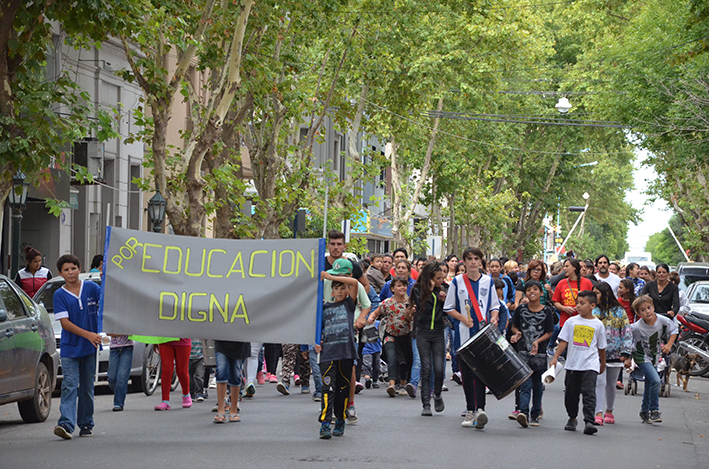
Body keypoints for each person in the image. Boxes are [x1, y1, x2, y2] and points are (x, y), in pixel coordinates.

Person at [443, 247, 499, 429]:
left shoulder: (488, 281)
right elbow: (449, 307)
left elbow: (494, 305)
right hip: (463, 334)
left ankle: (481, 409)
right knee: (467, 374)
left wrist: (494, 316)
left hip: (482, 334)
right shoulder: (457, 282)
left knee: (482, 372)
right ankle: (470, 409)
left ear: (481, 262)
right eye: (470, 259)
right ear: (464, 262)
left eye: (476, 258)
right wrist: (462, 318)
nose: (473, 262)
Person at [52, 255, 102, 440]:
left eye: (73, 268)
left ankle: (86, 423)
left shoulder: (91, 287)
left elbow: (106, 304)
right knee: (70, 385)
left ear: (79, 269)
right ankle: (65, 424)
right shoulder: (59, 295)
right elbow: (65, 323)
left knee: (87, 387)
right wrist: (88, 334)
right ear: (60, 273)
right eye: (66, 270)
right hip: (69, 349)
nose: (70, 272)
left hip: (90, 348)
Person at [549, 290, 607, 435]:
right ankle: (572, 417)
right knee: (571, 393)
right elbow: (564, 341)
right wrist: (555, 357)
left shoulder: (598, 324)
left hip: (590, 364)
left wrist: (602, 363)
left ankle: (589, 420)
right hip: (573, 363)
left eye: (582, 303)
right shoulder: (571, 321)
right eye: (577, 303)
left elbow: (601, 347)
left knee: (589, 393)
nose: (578, 306)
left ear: (592, 305)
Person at [316, 265, 361, 439]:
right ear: (332, 292)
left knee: (343, 390)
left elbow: (355, 283)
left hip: (346, 353)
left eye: (343, 288)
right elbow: (316, 329)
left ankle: (341, 418)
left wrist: (331, 277)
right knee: (328, 389)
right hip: (328, 354)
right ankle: (325, 423)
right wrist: (315, 343)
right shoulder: (325, 307)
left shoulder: (349, 304)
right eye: (337, 288)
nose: (340, 290)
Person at [625, 295, 678, 424]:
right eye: (643, 310)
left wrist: (669, 344)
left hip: (655, 355)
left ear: (653, 307)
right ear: (638, 313)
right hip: (641, 356)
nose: (647, 311)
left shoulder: (662, 320)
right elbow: (628, 341)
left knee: (650, 383)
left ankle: (644, 411)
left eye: (649, 308)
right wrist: (627, 358)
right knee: (655, 380)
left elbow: (674, 330)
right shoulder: (636, 327)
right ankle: (654, 410)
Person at [510, 281, 554, 428]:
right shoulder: (521, 309)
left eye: (535, 289)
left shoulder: (547, 311)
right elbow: (514, 326)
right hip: (523, 352)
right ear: (525, 293)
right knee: (525, 383)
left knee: (537, 384)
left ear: (541, 293)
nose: (532, 292)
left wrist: (538, 341)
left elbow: (549, 332)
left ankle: (535, 413)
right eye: (529, 290)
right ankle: (523, 412)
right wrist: (517, 334)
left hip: (540, 354)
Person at [408, 261, 450, 416]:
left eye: (442, 278)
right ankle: (426, 404)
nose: (441, 281)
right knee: (426, 368)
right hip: (423, 331)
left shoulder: (444, 289)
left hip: (438, 331)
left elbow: (448, 311)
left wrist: (445, 302)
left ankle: (437, 394)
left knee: (439, 368)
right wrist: (432, 292)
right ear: (430, 278)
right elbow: (422, 308)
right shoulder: (418, 290)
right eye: (438, 278)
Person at [591, 282, 632, 425]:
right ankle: (598, 413)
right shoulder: (592, 311)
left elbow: (626, 331)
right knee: (599, 382)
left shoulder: (619, 311)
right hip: (596, 354)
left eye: (597, 293)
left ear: (605, 294)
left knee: (611, 384)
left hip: (615, 354)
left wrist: (626, 352)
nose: (594, 296)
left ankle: (609, 410)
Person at [368, 277, 413, 397]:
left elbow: (411, 319)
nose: (402, 288)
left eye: (404, 285)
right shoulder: (387, 302)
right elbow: (376, 312)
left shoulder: (410, 302)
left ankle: (403, 384)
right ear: (392, 288)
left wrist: (410, 312)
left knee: (405, 361)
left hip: (405, 336)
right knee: (392, 358)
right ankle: (391, 385)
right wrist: (371, 317)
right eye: (399, 285)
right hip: (390, 335)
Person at [212, 340, 250, 423]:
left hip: (239, 344)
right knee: (221, 370)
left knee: (236, 374)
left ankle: (233, 410)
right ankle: (221, 410)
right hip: (222, 341)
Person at [552, 258, 594, 328]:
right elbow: (555, 302)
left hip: (583, 321)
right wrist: (564, 308)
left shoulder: (587, 282)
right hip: (566, 322)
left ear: (574, 268)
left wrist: (582, 307)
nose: (564, 269)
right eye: (564, 266)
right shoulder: (561, 283)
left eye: (567, 266)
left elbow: (593, 301)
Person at [154, 338, 192, 411]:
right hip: (165, 339)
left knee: (182, 371)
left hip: (183, 340)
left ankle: (186, 394)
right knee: (166, 370)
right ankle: (165, 400)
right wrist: (155, 340)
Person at [107, 334, 133, 411]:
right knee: (111, 377)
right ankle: (120, 391)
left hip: (127, 347)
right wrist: (123, 332)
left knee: (122, 376)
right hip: (113, 348)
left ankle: (118, 403)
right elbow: (108, 332)